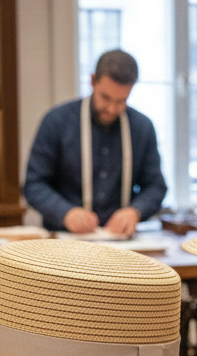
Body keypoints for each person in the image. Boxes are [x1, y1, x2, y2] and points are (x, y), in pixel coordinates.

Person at [23, 50, 167, 236]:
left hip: (121, 242)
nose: (112, 108)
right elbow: (34, 184)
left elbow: (156, 186)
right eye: (106, 98)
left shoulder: (142, 127)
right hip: (65, 242)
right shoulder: (56, 122)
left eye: (121, 101)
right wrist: (66, 212)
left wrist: (134, 211)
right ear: (93, 81)